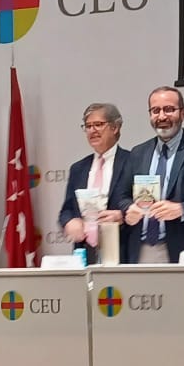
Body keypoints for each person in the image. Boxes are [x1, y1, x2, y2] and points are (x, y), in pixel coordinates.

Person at [115, 86, 184, 264]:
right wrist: (128, 209)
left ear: (183, 114)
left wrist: (182, 209)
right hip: (141, 249)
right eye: (155, 110)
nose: (162, 116)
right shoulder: (138, 153)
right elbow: (122, 195)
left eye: (169, 109)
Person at [56, 102, 128, 259]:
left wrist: (122, 215)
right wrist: (69, 222)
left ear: (115, 127)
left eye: (98, 124)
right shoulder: (78, 168)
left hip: (122, 249)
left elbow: (143, 204)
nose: (92, 130)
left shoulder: (132, 162)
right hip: (85, 253)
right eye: (88, 126)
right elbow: (67, 210)